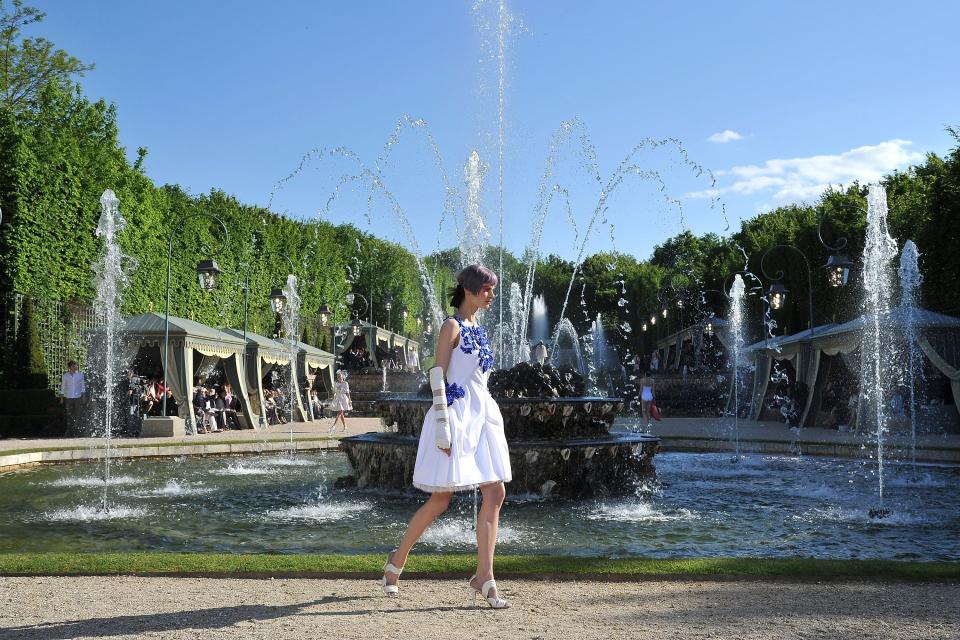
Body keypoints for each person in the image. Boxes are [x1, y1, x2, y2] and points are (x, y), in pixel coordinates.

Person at [381, 264, 512, 609]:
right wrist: (442, 422)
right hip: (454, 416)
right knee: (440, 500)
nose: (491, 295)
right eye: (487, 289)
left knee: (495, 490)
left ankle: (484, 575)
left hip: (482, 416)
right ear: (469, 290)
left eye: (492, 289)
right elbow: (437, 373)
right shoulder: (451, 326)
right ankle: (397, 559)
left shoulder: (477, 328)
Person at [60, 360, 86, 436]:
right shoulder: (65, 376)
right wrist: (61, 398)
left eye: (76, 365)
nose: (76, 367)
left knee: (78, 415)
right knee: (69, 415)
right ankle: (69, 431)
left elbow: (83, 386)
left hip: (78, 398)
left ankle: (77, 431)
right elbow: (63, 387)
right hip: (68, 397)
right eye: (74, 365)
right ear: (70, 367)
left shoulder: (80, 375)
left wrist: (83, 397)